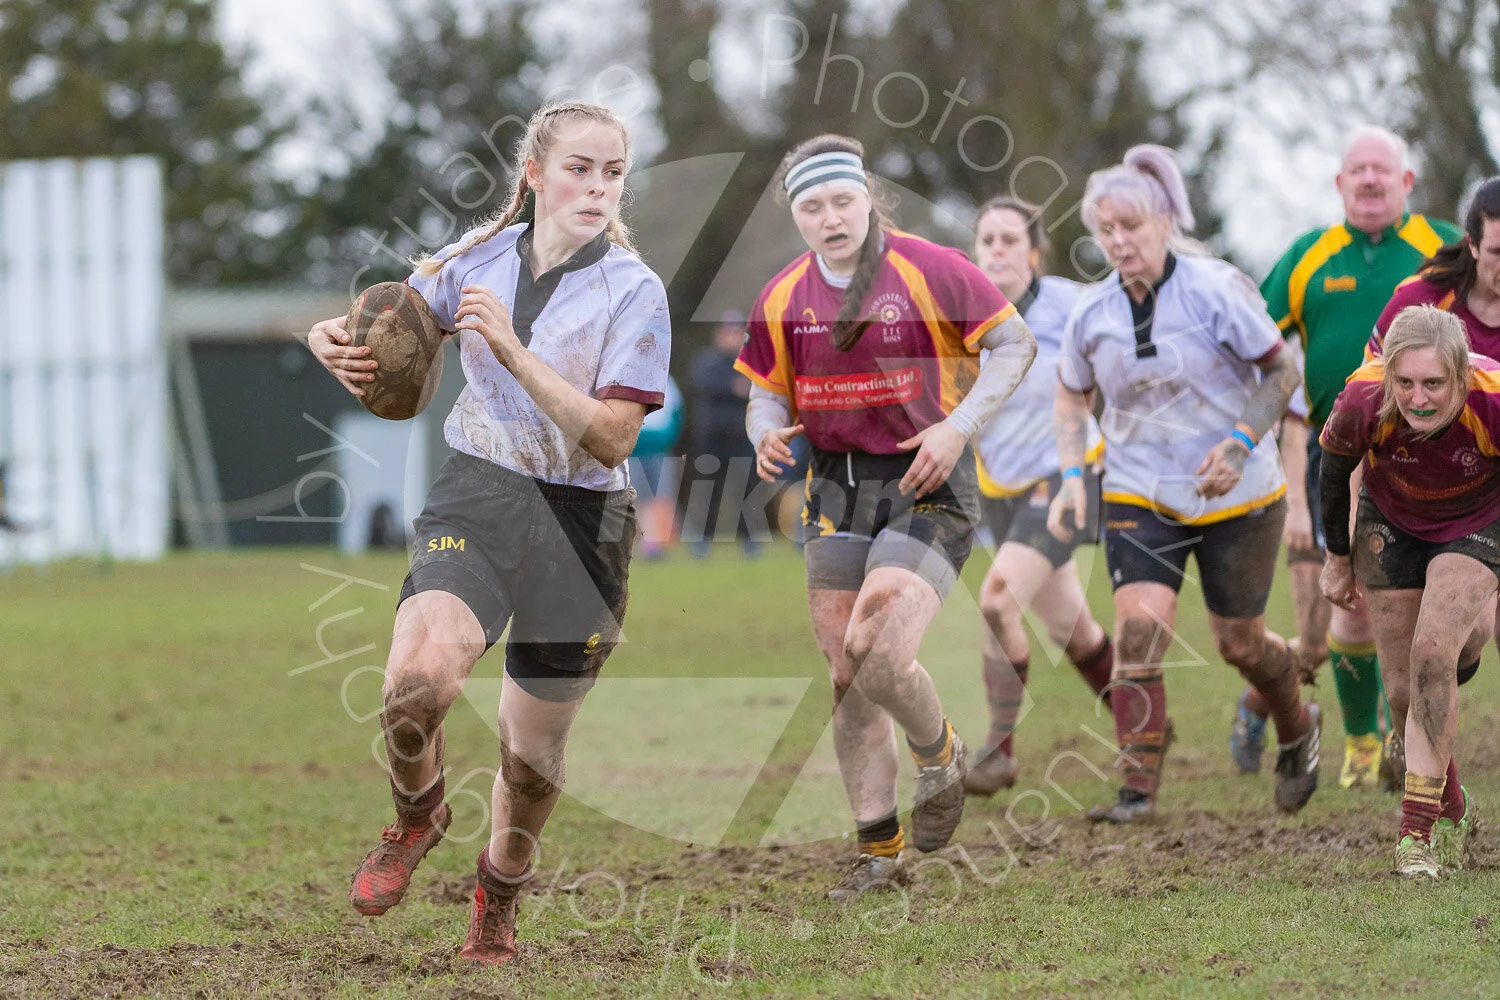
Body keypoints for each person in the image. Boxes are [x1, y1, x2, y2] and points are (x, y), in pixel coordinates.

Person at [305, 102, 670, 965]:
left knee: (531, 759)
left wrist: (511, 350)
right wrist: (333, 338)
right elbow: (397, 324)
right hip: (481, 492)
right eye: (578, 168)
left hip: (584, 526)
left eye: (612, 172)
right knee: (415, 686)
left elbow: (613, 438)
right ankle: (417, 814)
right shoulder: (474, 260)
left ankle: (498, 891)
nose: (597, 187)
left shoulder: (635, 290)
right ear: (534, 175)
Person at [738, 134, 1037, 899]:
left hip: (927, 483)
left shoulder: (931, 268)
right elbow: (765, 392)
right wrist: (762, 430)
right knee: (847, 676)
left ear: (867, 197)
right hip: (834, 492)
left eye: (843, 200)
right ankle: (879, 852)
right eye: (813, 206)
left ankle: (939, 755)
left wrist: (956, 427)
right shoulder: (783, 297)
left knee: (877, 646)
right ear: (795, 214)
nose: (831, 217)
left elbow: (1014, 344)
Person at [1048, 144, 1320, 824]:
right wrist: (1073, 476)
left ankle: (1297, 726)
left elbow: (1282, 373)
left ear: (1164, 222)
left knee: (1239, 644)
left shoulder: (1216, 289)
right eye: (1106, 230)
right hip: (1139, 489)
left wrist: (1239, 442)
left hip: (1241, 493)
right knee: (1138, 630)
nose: (1119, 241)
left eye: (1131, 226)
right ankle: (1136, 790)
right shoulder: (1090, 312)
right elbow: (1071, 396)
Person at [1237, 126, 1462, 787]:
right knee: (1355, 600)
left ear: (1406, 182)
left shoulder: (1445, 248)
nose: (1369, 179)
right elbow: (1251, 339)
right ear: (1339, 183)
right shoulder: (1308, 256)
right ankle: (1364, 740)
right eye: (1357, 170)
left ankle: (1405, 730)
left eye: (1381, 169)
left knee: (1432, 604)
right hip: (1340, 450)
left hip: (1437, 451)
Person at [1318, 306, 1492, 877]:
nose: (1418, 399)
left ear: (1462, 375)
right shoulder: (1360, 399)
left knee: (1435, 653)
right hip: (1391, 517)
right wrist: (1337, 559)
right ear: (1388, 373)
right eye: (1406, 383)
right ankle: (1452, 807)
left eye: (1434, 384)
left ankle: (1415, 836)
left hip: (1476, 518)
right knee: (1399, 691)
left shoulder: (1493, 398)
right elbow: (1332, 475)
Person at [960, 197, 1116, 796]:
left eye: (1010, 239)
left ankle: (998, 753)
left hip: (1068, 477)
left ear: (1033, 252)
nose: (997, 249)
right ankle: (1141, 720)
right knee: (1072, 629)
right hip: (1000, 487)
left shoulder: (1071, 304)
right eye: (987, 240)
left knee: (998, 601)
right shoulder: (960, 316)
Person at [1361, 177, 1500, 787]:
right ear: (1471, 244)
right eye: (1498, 252)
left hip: (1487, 500)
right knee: (1422, 666)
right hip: (1408, 493)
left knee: (1473, 634)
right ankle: (1434, 777)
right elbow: (1369, 400)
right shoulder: (1420, 302)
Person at [685, 311, 759, 557]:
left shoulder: (750, 362)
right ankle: (702, 541)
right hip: (712, 441)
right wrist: (732, 387)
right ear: (718, 335)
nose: (731, 337)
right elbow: (702, 383)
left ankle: (750, 542)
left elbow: (758, 388)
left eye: (736, 333)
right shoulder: (706, 361)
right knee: (707, 492)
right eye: (727, 332)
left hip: (742, 439)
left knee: (747, 491)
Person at [629, 375, 684, 559]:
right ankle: (644, 542)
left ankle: (655, 542)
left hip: (660, 450)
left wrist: (668, 437)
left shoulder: (667, 381)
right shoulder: (628, 376)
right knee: (637, 497)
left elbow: (677, 413)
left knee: (661, 496)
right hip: (633, 451)